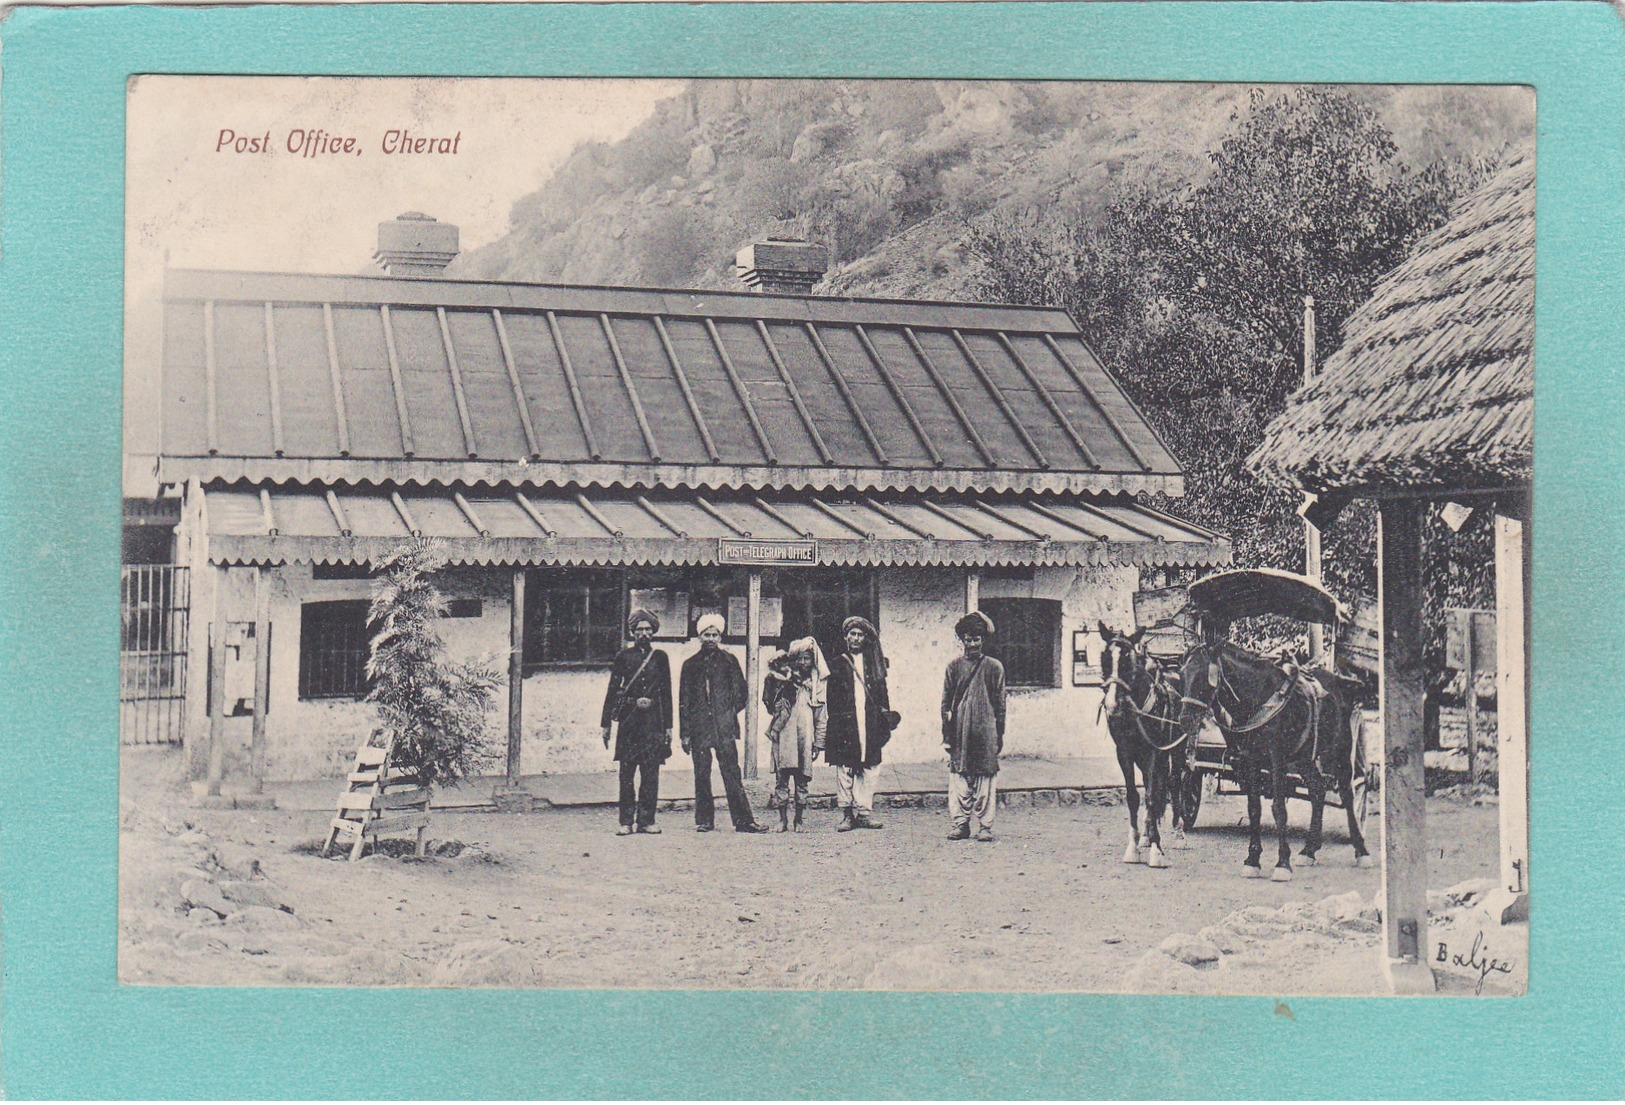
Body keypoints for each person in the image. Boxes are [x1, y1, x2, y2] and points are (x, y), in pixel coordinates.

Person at [679, 614, 771, 834]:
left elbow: (742, 693)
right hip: (700, 729)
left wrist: (728, 713)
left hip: (724, 728)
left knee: (731, 773)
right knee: (701, 774)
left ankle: (743, 821)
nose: (710, 638)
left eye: (714, 634)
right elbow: (684, 702)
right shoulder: (689, 665)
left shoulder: (729, 661)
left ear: (720, 636)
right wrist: (685, 733)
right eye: (706, 635)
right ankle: (704, 821)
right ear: (699, 637)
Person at [599, 609, 673, 836]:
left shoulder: (660, 657)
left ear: (653, 632)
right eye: (640, 629)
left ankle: (647, 821)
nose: (644, 633)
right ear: (632, 632)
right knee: (627, 774)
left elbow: (667, 692)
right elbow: (612, 690)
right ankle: (625, 822)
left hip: (653, 722)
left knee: (651, 773)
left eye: (648, 629)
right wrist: (606, 724)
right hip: (629, 722)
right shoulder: (623, 657)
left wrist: (669, 726)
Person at [821, 615, 894, 831]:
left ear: (864, 638)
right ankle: (846, 814)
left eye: (859, 634)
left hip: (869, 722)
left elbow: (882, 692)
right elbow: (831, 698)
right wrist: (835, 724)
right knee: (845, 767)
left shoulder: (874, 664)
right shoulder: (837, 663)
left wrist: (884, 716)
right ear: (846, 637)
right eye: (852, 634)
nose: (855, 638)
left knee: (870, 767)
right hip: (846, 723)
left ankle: (864, 812)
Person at [942, 610, 1006, 842]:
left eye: (976, 639)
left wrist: (999, 733)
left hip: (986, 730)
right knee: (959, 778)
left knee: (985, 779)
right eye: (967, 639)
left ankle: (985, 826)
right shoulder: (953, 667)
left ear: (983, 640)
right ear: (962, 641)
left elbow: (1000, 704)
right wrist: (946, 733)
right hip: (959, 731)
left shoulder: (994, 667)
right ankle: (961, 824)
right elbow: (945, 702)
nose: (972, 643)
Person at [762, 637, 828, 832]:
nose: (803, 662)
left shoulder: (815, 686)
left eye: (807, 658)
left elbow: (821, 716)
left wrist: (818, 743)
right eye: (799, 658)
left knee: (802, 781)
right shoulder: (783, 681)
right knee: (781, 780)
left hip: (804, 739)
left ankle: (798, 820)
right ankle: (782, 820)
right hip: (783, 738)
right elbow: (769, 706)